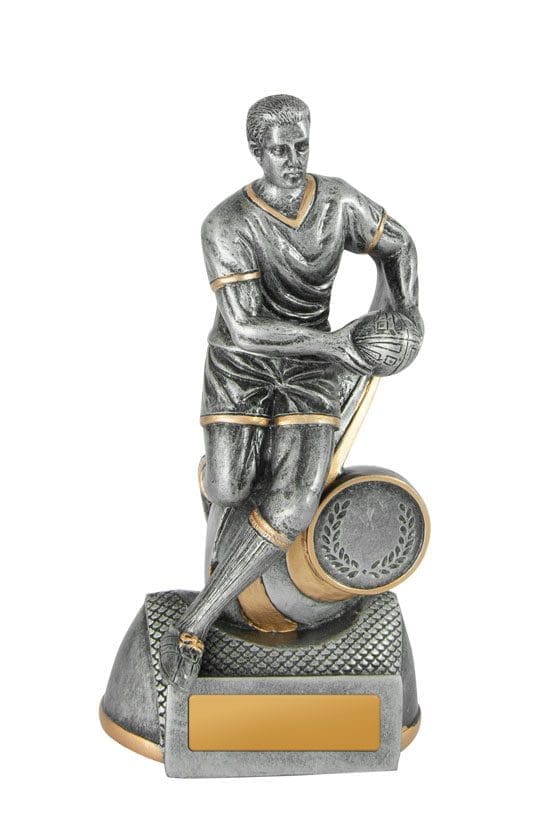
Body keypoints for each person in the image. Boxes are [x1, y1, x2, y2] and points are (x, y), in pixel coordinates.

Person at [160, 94, 422, 686]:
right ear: (257, 151)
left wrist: (406, 314)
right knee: (229, 487)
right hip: (241, 363)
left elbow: (399, 245)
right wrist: (339, 343)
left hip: (309, 368)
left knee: (296, 504)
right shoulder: (225, 224)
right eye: (280, 149)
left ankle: (199, 620)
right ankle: (235, 530)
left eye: (302, 145)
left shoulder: (338, 201)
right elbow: (247, 326)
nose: (294, 159)